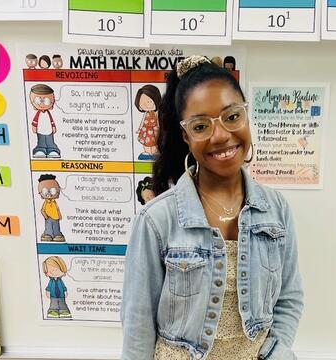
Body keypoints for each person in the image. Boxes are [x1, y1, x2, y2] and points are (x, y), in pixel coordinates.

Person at [121, 56, 303, 360]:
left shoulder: (276, 209)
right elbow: (138, 324)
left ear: (246, 115)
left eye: (232, 117)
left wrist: (277, 350)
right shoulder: (157, 220)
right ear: (186, 135)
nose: (220, 135)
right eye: (202, 125)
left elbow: (289, 297)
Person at [30, 84, 61, 158]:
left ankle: (52, 150)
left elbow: (51, 120)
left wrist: (53, 127)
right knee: (41, 141)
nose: (42, 104)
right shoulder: (38, 113)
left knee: (50, 141)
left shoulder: (48, 113)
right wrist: (34, 127)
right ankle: (40, 150)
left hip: (49, 130)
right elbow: (35, 121)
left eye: (46, 101)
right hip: (40, 130)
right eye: (37, 100)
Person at [135, 84, 162, 160]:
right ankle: (147, 153)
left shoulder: (156, 113)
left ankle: (154, 153)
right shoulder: (145, 114)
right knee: (146, 142)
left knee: (154, 142)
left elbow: (158, 120)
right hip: (145, 130)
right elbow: (142, 121)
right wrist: (139, 129)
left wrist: (160, 128)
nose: (148, 104)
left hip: (154, 130)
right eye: (144, 102)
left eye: (150, 101)